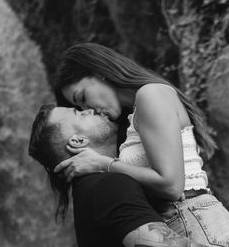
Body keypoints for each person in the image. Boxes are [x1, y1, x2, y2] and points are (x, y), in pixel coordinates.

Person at [51, 42, 229, 247]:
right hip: (186, 223)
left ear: (100, 73)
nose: (88, 109)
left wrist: (103, 164)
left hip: (191, 219)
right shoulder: (134, 115)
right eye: (78, 107)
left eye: (82, 97)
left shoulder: (150, 95)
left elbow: (171, 186)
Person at [28, 104, 210, 247]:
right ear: (78, 141)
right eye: (80, 113)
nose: (91, 109)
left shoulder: (90, 190)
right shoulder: (107, 188)